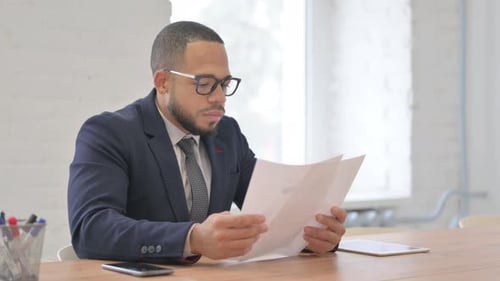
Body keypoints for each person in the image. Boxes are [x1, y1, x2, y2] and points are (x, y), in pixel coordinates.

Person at [68, 21, 347, 264]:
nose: (219, 98)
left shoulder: (227, 133)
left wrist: (313, 236)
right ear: (163, 82)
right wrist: (193, 239)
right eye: (204, 83)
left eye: (224, 84)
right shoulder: (108, 133)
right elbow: (91, 229)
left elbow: (273, 213)